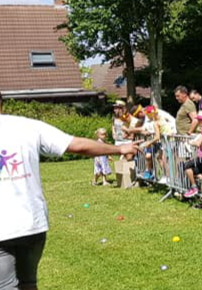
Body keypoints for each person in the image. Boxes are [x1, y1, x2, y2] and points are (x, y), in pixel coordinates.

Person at [0, 91, 140, 290]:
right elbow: (78, 145)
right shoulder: (28, 126)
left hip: (4, 229)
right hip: (33, 225)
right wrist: (119, 149)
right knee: (28, 283)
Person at [140, 105, 177, 183]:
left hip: (168, 142)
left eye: (147, 115)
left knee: (164, 159)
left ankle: (168, 177)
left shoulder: (156, 123)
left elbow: (157, 137)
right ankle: (166, 176)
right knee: (159, 157)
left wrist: (148, 143)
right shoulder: (162, 118)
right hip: (168, 141)